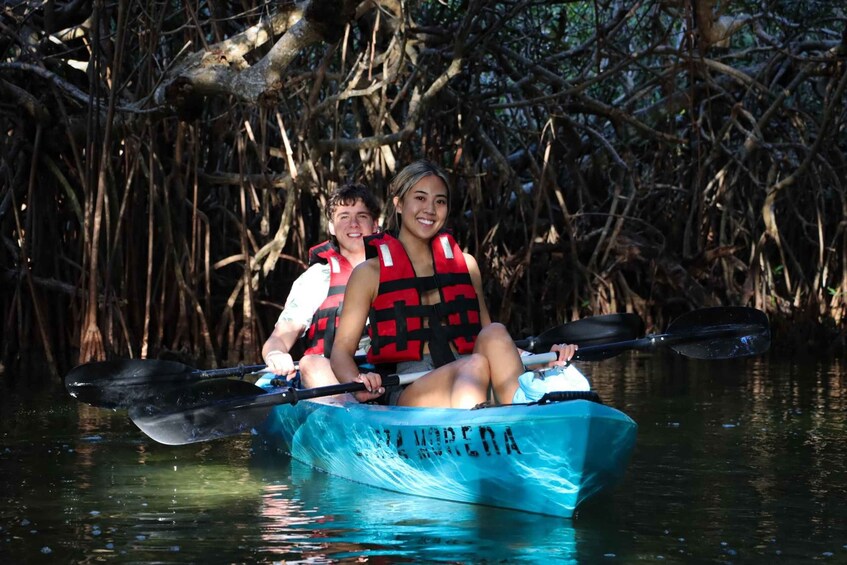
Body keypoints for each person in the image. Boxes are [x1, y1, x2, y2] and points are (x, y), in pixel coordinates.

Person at [330, 160, 577, 409]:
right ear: (399, 203)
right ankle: (486, 429)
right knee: (475, 365)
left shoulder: (466, 265)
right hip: (408, 387)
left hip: (471, 372)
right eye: (420, 198)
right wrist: (358, 381)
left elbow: (490, 338)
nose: (430, 209)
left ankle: (526, 412)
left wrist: (541, 360)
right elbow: (341, 351)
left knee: (495, 332)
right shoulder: (369, 273)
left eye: (440, 201)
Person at [261, 182, 383, 399]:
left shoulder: (398, 270)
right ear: (331, 227)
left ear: (376, 224)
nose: (353, 224)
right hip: (332, 378)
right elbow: (280, 336)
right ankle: (353, 417)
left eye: (362, 216)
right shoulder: (316, 278)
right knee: (310, 364)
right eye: (344, 217)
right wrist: (276, 354)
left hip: (386, 375)